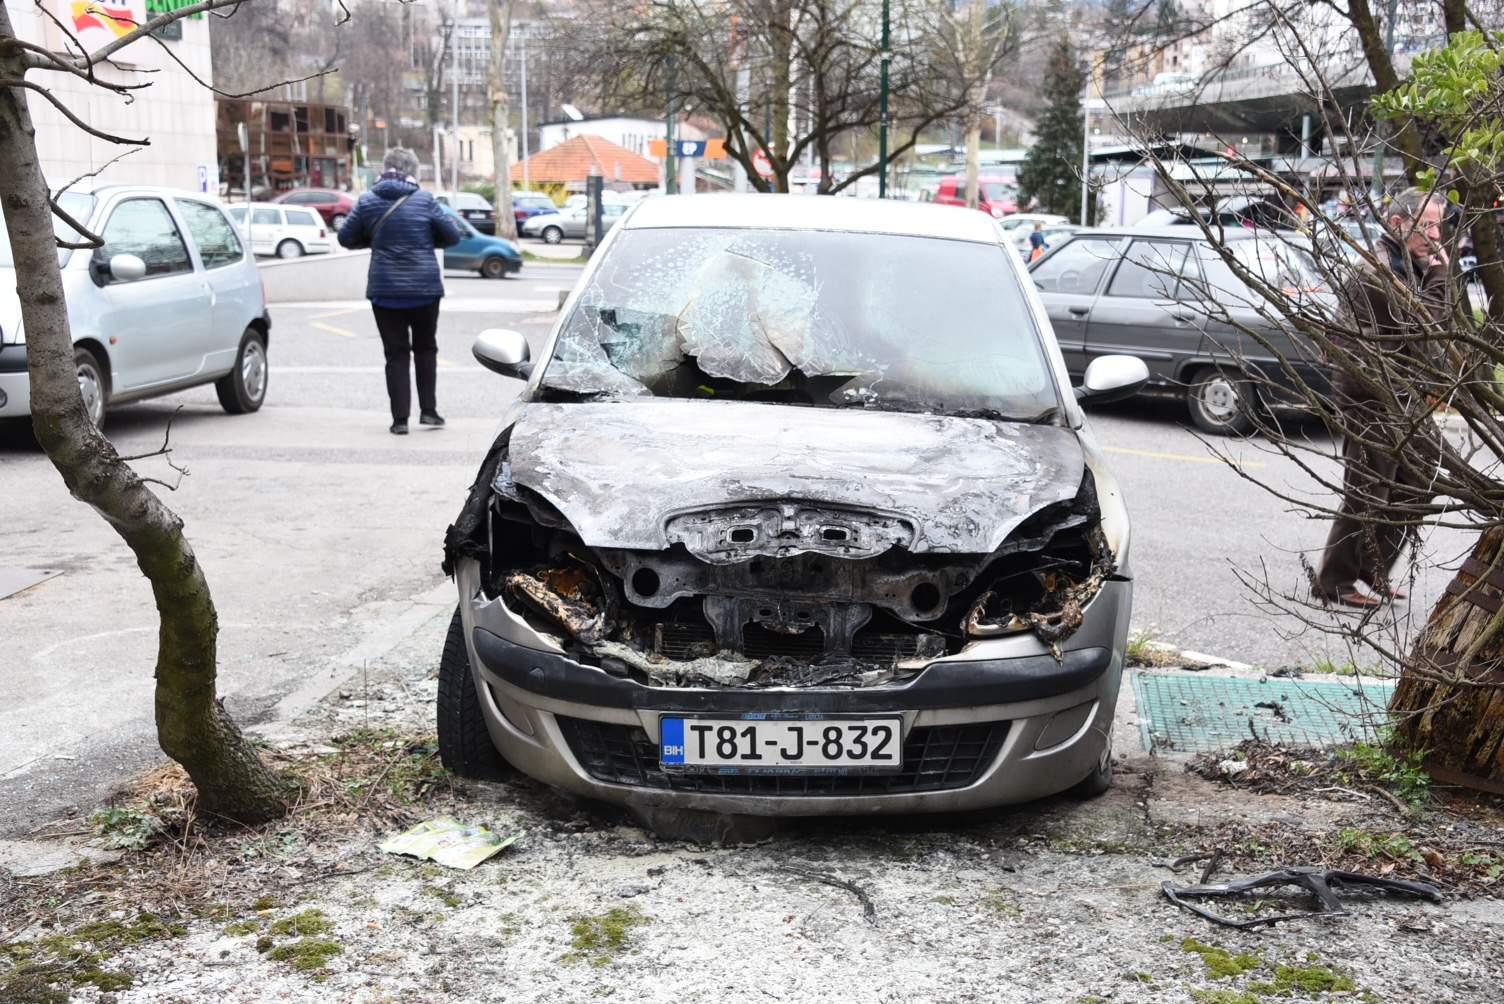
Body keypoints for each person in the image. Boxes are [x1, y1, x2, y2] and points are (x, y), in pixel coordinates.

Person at [1313, 187, 1451, 608]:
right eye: (1426, 225)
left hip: (1402, 397)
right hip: (1369, 397)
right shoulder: (1375, 272)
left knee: (1423, 477)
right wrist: (1441, 278)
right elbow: (1422, 325)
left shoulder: (1409, 266)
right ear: (1397, 224)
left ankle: (1373, 567)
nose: (1436, 235)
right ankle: (1334, 581)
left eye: (1437, 225)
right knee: (1367, 489)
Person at [338, 148, 462, 435]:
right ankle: (429, 412)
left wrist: (372, 239)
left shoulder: (368, 201)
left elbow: (345, 237)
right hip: (424, 289)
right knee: (426, 348)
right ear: (413, 170)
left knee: (395, 354)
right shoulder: (424, 199)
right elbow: (452, 236)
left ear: (384, 168)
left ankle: (400, 420)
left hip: (384, 290)